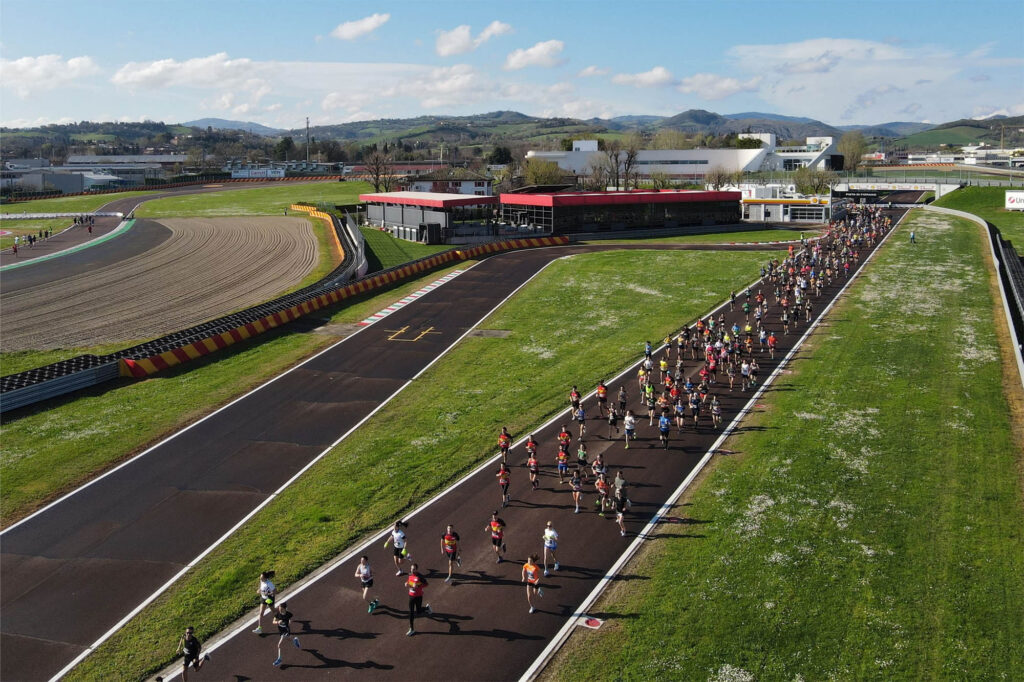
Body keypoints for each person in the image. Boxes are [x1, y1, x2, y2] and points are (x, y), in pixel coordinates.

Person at [404, 564, 431, 636]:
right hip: (411, 596)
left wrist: (418, 586)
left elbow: (426, 584)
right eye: (411, 569)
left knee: (418, 611)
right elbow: (409, 582)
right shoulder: (410, 575)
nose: (412, 570)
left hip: (418, 596)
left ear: (417, 570)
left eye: (414, 569)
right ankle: (412, 629)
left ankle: (427, 608)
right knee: (411, 613)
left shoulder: (420, 576)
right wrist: (407, 583)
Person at [271, 602, 300, 667]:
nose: (278, 608)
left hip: (286, 630)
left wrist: (290, 621)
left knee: (279, 645)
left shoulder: (288, 614)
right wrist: (278, 622)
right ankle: (295, 640)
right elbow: (273, 622)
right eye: (278, 607)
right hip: (281, 630)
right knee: (289, 638)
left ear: (284, 608)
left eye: (280, 607)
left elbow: (290, 618)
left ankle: (279, 659)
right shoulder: (277, 614)